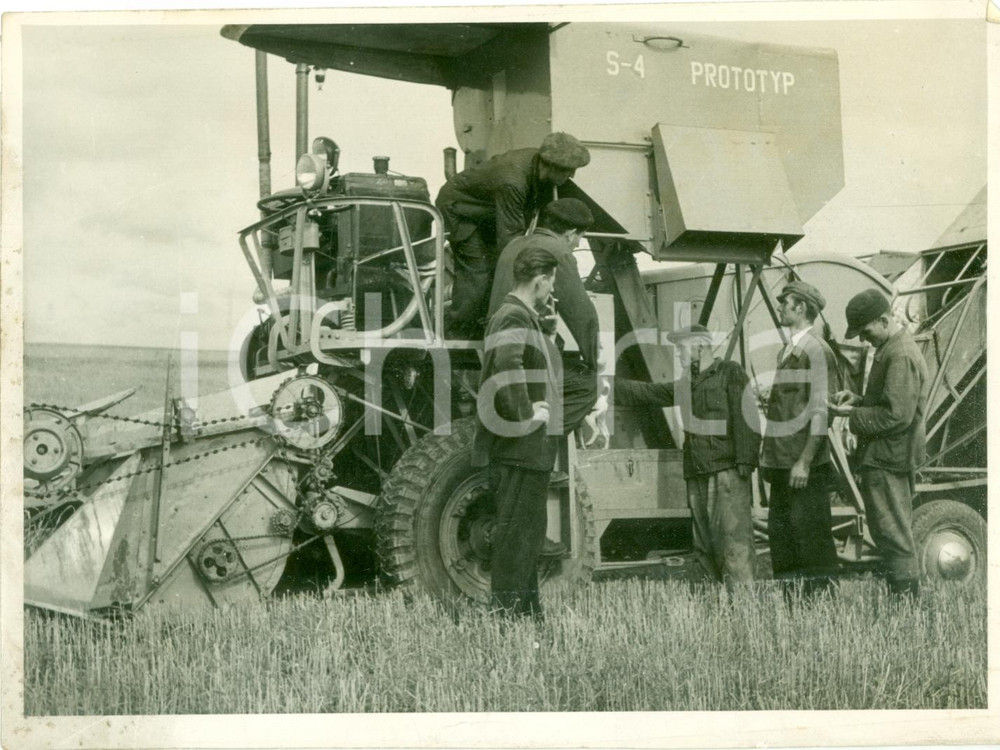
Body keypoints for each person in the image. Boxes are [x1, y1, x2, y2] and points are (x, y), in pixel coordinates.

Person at [614, 325, 762, 588]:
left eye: (682, 348)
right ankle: (718, 607)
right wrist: (605, 385)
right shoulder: (686, 383)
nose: (679, 354)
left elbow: (747, 419)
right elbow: (650, 393)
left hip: (726, 472)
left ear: (701, 347)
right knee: (704, 546)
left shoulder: (730, 372)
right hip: (697, 474)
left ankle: (744, 609)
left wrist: (745, 464)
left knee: (733, 544)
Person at [472, 246, 562, 619]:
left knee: (524, 537)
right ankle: (507, 619)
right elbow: (507, 366)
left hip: (525, 451)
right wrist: (525, 415)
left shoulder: (522, 316)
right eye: (552, 281)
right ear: (540, 279)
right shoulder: (513, 316)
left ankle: (526, 618)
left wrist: (548, 332)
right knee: (516, 539)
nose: (552, 289)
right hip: (520, 448)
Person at [436, 132, 591, 339]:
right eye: (569, 171)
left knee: (496, 267)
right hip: (461, 211)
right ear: (552, 167)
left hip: (487, 213)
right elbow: (511, 243)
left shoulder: (541, 173)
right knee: (478, 273)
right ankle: (458, 336)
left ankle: (482, 325)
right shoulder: (513, 181)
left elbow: (539, 229)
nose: (571, 176)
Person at [829, 288, 929, 597]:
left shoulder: (900, 354)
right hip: (885, 458)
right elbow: (891, 403)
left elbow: (895, 416)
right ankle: (901, 601)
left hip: (889, 460)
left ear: (884, 320)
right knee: (888, 533)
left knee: (894, 535)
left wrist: (852, 414)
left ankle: (907, 607)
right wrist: (857, 399)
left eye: (865, 330)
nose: (862, 339)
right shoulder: (893, 349)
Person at [489, 197, 599, 435]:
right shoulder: (557, 251)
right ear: (570, 233)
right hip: (526, 355)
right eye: (580, 237)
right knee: (588, 384)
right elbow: (583, 315)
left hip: (497, 345)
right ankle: (540, 437)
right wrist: (593, 361)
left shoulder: (514, 244)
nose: (577, 243)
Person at [759, 281, 841, 597]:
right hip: (782, 465)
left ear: (801, 308)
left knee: (811, 541)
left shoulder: (817, 351)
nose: (779, 308)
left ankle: (820, 611)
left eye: (785, 303)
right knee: (784, 542)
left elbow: (822, 412)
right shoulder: (787, 351)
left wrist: (805, 462)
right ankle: (798, 613)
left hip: (802, 468)